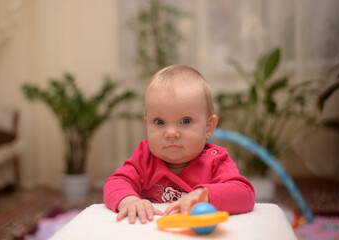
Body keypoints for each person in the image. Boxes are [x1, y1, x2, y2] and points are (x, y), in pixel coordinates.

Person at [103, 64, 255, 224]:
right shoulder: (144, 157)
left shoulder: (215, 160)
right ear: (147, 124)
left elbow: (245, 194)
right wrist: (129, 200)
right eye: (159, 122)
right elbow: (115, 182)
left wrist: (205, 195)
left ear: (208, 127)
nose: (171, 133)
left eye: (185, 121)